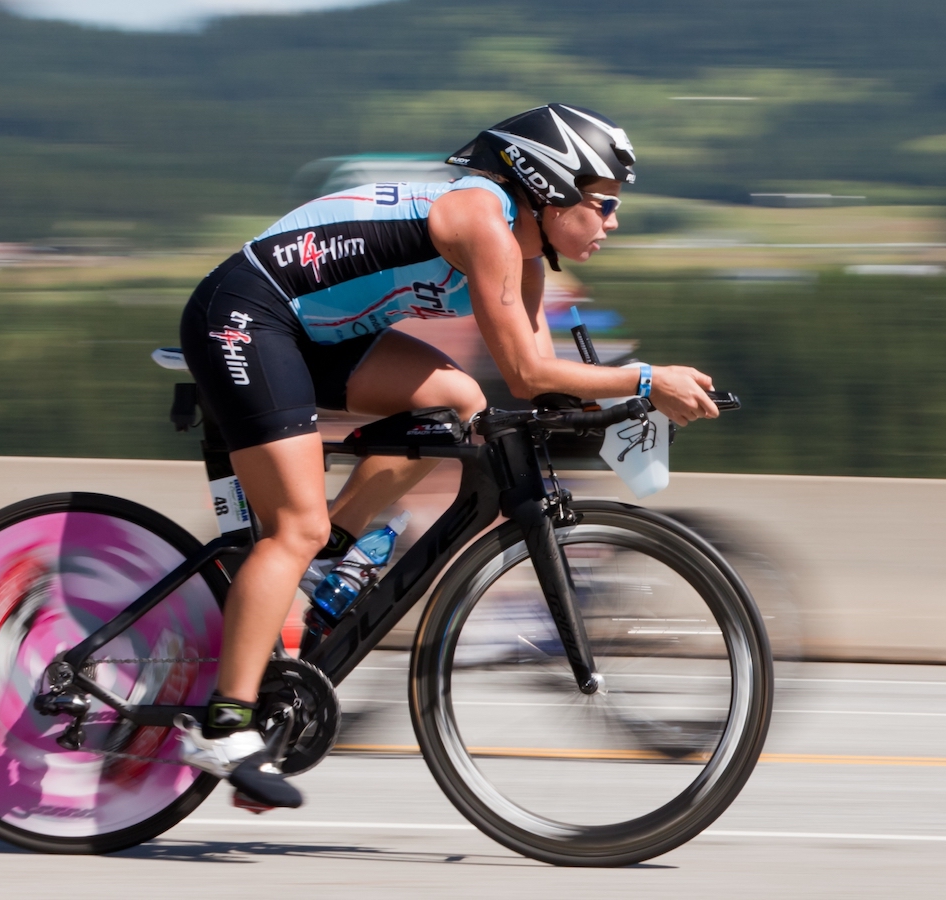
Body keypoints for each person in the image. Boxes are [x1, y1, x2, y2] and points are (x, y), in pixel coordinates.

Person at [175, 103, 720, 807]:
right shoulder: (481, 221)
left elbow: (542, 384)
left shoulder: (525, 256)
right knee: (293, 527)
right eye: (604, 203)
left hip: (314, 333)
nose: (612, 222)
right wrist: (647, 378)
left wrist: (631, 407)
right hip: (246, 316)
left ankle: (327, 558)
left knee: (458, 403)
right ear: (550, 186)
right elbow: (527, 370)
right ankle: (225, 727)